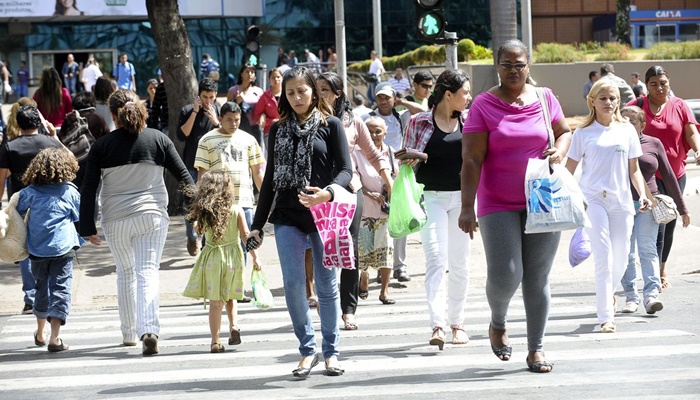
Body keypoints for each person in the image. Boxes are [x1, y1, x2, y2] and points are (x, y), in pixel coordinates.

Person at [459, 39, 572, 373]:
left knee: (537, 277)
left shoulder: (544, 97)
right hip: (497, 201)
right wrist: (467, 206)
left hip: (542, 198)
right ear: (497, 65)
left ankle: (536, 349)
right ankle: (498, 321)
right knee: (507, 273)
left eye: (519, 64)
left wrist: (561, 150)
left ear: (529, 65)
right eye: (506, 64)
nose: (513, 70)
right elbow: (471, 158)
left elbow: (564, 131)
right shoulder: (483, 104)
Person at [248, 66, 351, 377]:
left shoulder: (331, 125)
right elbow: (268, 184)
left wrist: (328, 194)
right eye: (289, 93)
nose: (296, 97)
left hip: (324, 215)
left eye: (302, 91)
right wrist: (257, 224)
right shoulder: (278, 130)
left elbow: (346, 171)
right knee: (294, 285)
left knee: (326, 285)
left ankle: (331, 351)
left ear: (314, 92)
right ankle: (307, 350)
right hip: (288, 217)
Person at [80, 89, 193, 355]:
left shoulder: (102, 146)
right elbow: (185, 179)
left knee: (126, 273)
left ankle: (129, 333)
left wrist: (87, 226)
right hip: (152, 216)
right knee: (147, 272)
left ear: (112, 114)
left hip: (116, 219)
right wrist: (199, 211)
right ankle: (149, 330)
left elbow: (89, 188)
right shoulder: (158, 139)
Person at [565, 79, 651, 335]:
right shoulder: (581, 133)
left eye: (613, 98)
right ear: (592, 101)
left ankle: (608, 295)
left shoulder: (627, 131)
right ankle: (606, 316)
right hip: (593, 200)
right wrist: (574, 198)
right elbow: (569, 171)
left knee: (622, 258)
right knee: (603, 257)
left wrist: (643, 194)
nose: (609, 103)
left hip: (622, 201)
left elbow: (633, 169)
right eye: (603, 98)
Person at [317, 71, 393, 331]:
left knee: (350, 250)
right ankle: (326, 301)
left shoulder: (353, 122)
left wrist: (389, 181)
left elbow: (373, 155)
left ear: (338, 93)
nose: (320, 95)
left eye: (325, 90)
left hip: (350, 191)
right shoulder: (309, 120)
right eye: (316, 89)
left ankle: (348, 310)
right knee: (323, 249)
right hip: (319, 193)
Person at [402, 69, 472, 350]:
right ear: (448, 95)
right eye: (464, 93)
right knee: (436, 260)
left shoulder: (469, 122)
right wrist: (414, 158)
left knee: (460, 264)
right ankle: (438, 325)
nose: (468, 97)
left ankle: (458, 323)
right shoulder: (419, 121)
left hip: (463, 200)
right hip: (430, 198)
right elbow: (405, 159)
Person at [625, 65, 700, 290]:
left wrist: (697, 149)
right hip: (647, 175)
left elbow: (691, 131)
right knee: (653, 224)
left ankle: (661, 267)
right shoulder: (637, 106)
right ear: (646, 86)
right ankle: (653, 273)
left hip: (674, 173)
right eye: (654, 84)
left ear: (669, 83)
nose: (659, 87)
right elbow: (616, 124)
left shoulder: (679, 105)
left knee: (668, 222)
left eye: (663, 83)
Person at [619, 105, 688, 315]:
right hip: (620, 205)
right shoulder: (614, 144)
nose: (627, 124)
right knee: (626, 253)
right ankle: (631, 297)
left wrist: (683, 208)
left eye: (632, 121)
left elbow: (668, 175)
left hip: (647, 204)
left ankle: (651, 296)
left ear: (642, 124)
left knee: (647, 248)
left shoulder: (653, 143)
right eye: (623, 121)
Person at [183, 170, 261, 353]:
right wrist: (256, 257)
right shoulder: (236, 210)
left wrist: (197, 224)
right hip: (233, 258)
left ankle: (215, 341)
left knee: (215, 302)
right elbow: (245, 236)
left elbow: (198, 231)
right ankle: (234, 326)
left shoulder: (205, 212)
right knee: (231, 295)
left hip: (212, 257)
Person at [17, 147, 82, 352]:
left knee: (40, 287)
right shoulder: (70, 191)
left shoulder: (28, 193)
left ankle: (40, 332)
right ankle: (55, 338)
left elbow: (16, 215)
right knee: (61, 289)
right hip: (63, 248)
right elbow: (79, 216)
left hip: (36, 250)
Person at [0, 105, 63, 315]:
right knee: (47, 247)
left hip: (21, 203)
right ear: (39, 123)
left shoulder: (9, 147)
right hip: (48, 201)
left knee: (23, 248)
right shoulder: (49, 143)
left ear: (18, 124)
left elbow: (0, 180)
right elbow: (69, 165)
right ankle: (49, 294)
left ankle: (31, 295)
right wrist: (54, 136)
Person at [362, 83, 411, 284]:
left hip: (396, 173)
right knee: (374, 224)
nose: (383, 101)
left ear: (393, 99)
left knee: (399, 221)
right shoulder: (367, 118)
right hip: (372, 175)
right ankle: (378, 268)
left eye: (387, 98)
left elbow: (424, 110)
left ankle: (399, 266)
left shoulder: (401, 116)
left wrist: (402, 102)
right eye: (380, 97)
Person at [355, 116, 396, 307]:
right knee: (364, 251)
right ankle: (364, 278)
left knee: (386, 250)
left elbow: (396, 178)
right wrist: (368, 193)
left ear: (385, 132)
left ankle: (384, 291)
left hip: (386, 212)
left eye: (377, 131)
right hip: (364, 210)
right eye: (369, 131)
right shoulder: (356, 153)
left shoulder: (391, 153)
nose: (373, 135)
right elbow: (352, 179)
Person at [178, 78, 221, 256]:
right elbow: (182, 135)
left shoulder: (217, 111)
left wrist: (216, 122)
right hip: (191, 164)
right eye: (205, 97)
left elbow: (224, 135)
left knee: (210, 203)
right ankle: (192, 235)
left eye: (211, 97)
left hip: (212, 166)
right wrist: (195, 112)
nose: (208, 101)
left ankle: (205, 242)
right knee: (191, 204)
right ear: (199, 96)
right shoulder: (187, 110)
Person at [61, 91, 111, 189]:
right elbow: (106, 139)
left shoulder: (69, 119)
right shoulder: (97, 118)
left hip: (74, 163)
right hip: (93, 163)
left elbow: (61, 139)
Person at [226, 63, 264, 150]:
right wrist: (236, 101)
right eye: (247, 71)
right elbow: (226, 110)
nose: (250, 74)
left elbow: (263, 108)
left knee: (256, 153)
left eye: (252, 72)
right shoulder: (234, 90)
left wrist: (263, 115)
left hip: (255, 127)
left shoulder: (259, 91)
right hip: (239, 127)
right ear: (241, 74)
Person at [252, 68, 283, 155]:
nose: (276, 79)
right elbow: (256, 117)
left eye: (278, 77)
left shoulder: (288, 94)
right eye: (273, 77)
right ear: (269, 80)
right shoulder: (265, 96)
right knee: (273, 158)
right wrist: (270, 122)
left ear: (282, 78)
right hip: (270, 132)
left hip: (287, 130)